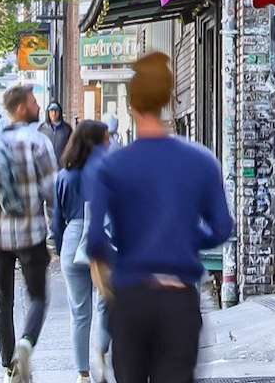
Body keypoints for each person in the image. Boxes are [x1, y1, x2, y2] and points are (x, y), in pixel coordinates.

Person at [87, 53, 234, 383]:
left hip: (131, 298)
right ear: (168, 99)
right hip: (178, 297)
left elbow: (95, 240)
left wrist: (129, 257)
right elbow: (223, 227)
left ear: (130, 104)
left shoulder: (111, 166)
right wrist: (180, 240)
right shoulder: (200, 161)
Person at [0, 85, 60, 383]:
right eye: (34, 102)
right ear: (21, 107)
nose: (38, 106)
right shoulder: (39, 141)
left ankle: (9, 365)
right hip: (31, 235)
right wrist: (54, 226)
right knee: (37, 297)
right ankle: (26, 343)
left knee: (2, 299)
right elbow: (51, 191)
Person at [55, 119, 114, 383]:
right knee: (106, 304)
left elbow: (56, 222)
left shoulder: (64, 175)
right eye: (106, 138)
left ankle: (82, 373)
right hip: (99, 237)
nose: (109, 142)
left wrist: (60, 249)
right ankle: (101, 355)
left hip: (71, 236)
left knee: (79, 311)